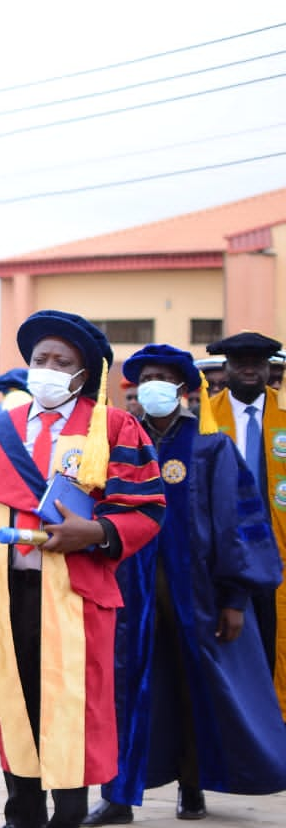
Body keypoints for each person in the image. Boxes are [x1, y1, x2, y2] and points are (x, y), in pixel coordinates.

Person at [84, 345, 286, 826]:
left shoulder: (209, 446)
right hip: (130, 596)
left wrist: (235, 598)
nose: (152, 385)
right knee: (125, 694)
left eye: (163, 377)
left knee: (196, 690)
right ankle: (118, 796)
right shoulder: (120, 444)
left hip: (194, 597)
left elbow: (239, 523)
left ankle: (191, 787)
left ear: (184, 390)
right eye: (145, 377)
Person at [0, 310, 165, 828]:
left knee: (73, 708)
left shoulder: (111, 427)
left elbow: (148, 507)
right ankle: (21, 812)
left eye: (62, 361)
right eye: (40, 359)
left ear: (84, 375)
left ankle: (68, 814)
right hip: (7, 592)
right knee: (15, 700)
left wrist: (100, 533)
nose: (48, 368)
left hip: (76, 593)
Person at [204, 331, 286, 719]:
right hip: (224, 553)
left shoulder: (284, 413)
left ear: (271, 367)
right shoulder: (205, 415)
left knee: (276, 641)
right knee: (228, 641)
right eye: (241, 362)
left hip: (277, 553)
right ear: (227, 368)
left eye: (258, 361)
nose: (250, 368)